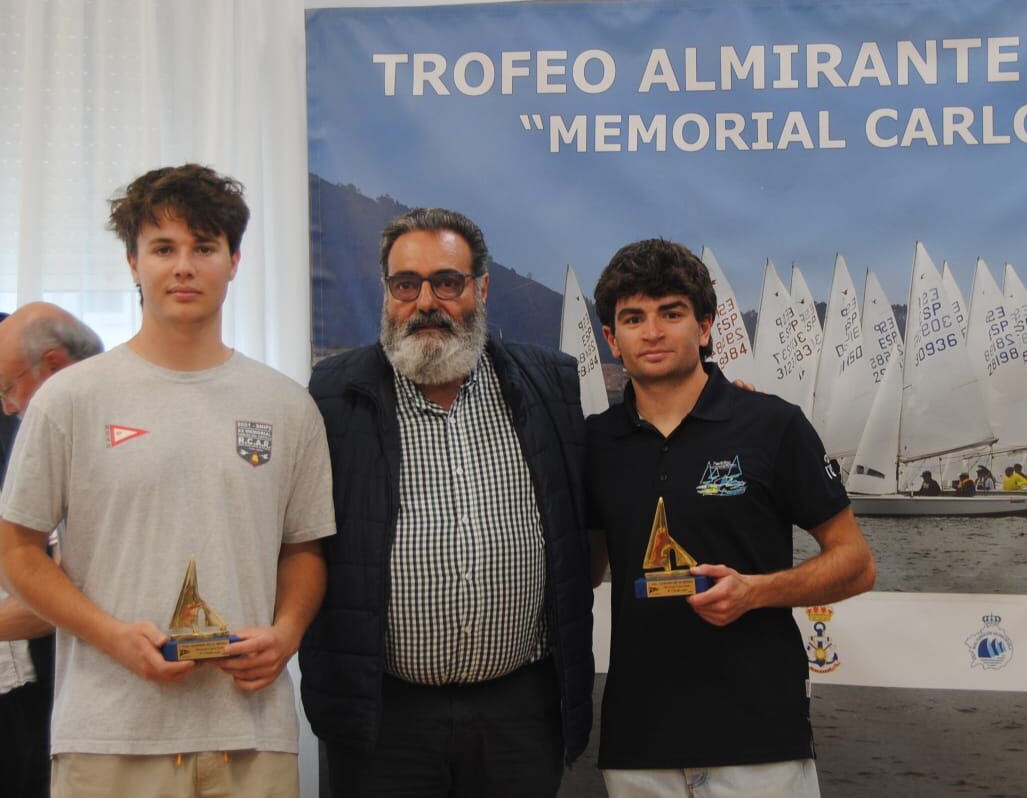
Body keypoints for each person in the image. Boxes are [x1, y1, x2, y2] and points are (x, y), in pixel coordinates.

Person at [0, 164, 336, 797]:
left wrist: (286, 634)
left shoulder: (289, 406)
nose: (184, 266)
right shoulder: (69, 400)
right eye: (163, 248)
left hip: (250, 737)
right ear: (133, 263)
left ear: (233, 261)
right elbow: (16, 549)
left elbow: (304, 548)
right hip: (108, 737)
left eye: (204, 247)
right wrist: (111, 637)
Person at [301, 208, 594, 796]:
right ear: (387, 293)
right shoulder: (333, 395)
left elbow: (591, 506)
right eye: (406, 285)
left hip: (520, 712)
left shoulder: (549, 382)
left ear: (481, 288)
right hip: (385, 718)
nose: (425, 302)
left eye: (447, 282)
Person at [584, 238, 874, 796]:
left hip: (759, 741)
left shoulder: (772, 426)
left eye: (671, 313)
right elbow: (586, 571)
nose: (652, 332)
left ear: (705, 325)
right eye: (633, 318)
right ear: (611, 338)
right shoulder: (594, 443)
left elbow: (857, 564)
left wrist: (756, 591)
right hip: (637, 746)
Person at [0, 304, 103, 797]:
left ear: (56, 366)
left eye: (6, 389)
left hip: (51, 689)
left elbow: (69, 587)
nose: (7, 405)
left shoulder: (85, 435)